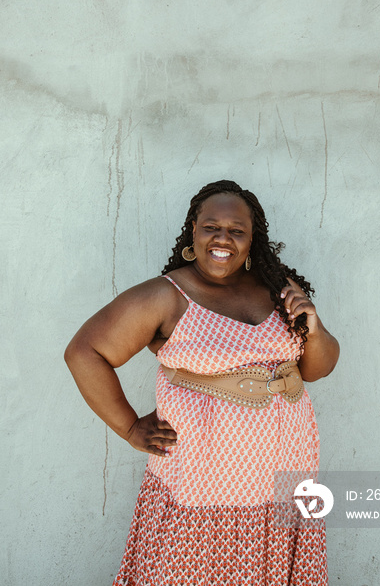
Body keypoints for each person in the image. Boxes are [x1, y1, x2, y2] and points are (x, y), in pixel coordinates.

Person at [64, 179, 339, 586]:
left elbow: (317, 369)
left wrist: (313, 329)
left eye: (236, 230)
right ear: (193, 228)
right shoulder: (166, 295)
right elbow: (85, 352)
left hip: (285, 472)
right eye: (211, 226)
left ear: (252, 239)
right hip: (204, 482)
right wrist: (128, 427)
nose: (222, 238)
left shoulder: (277, 290)